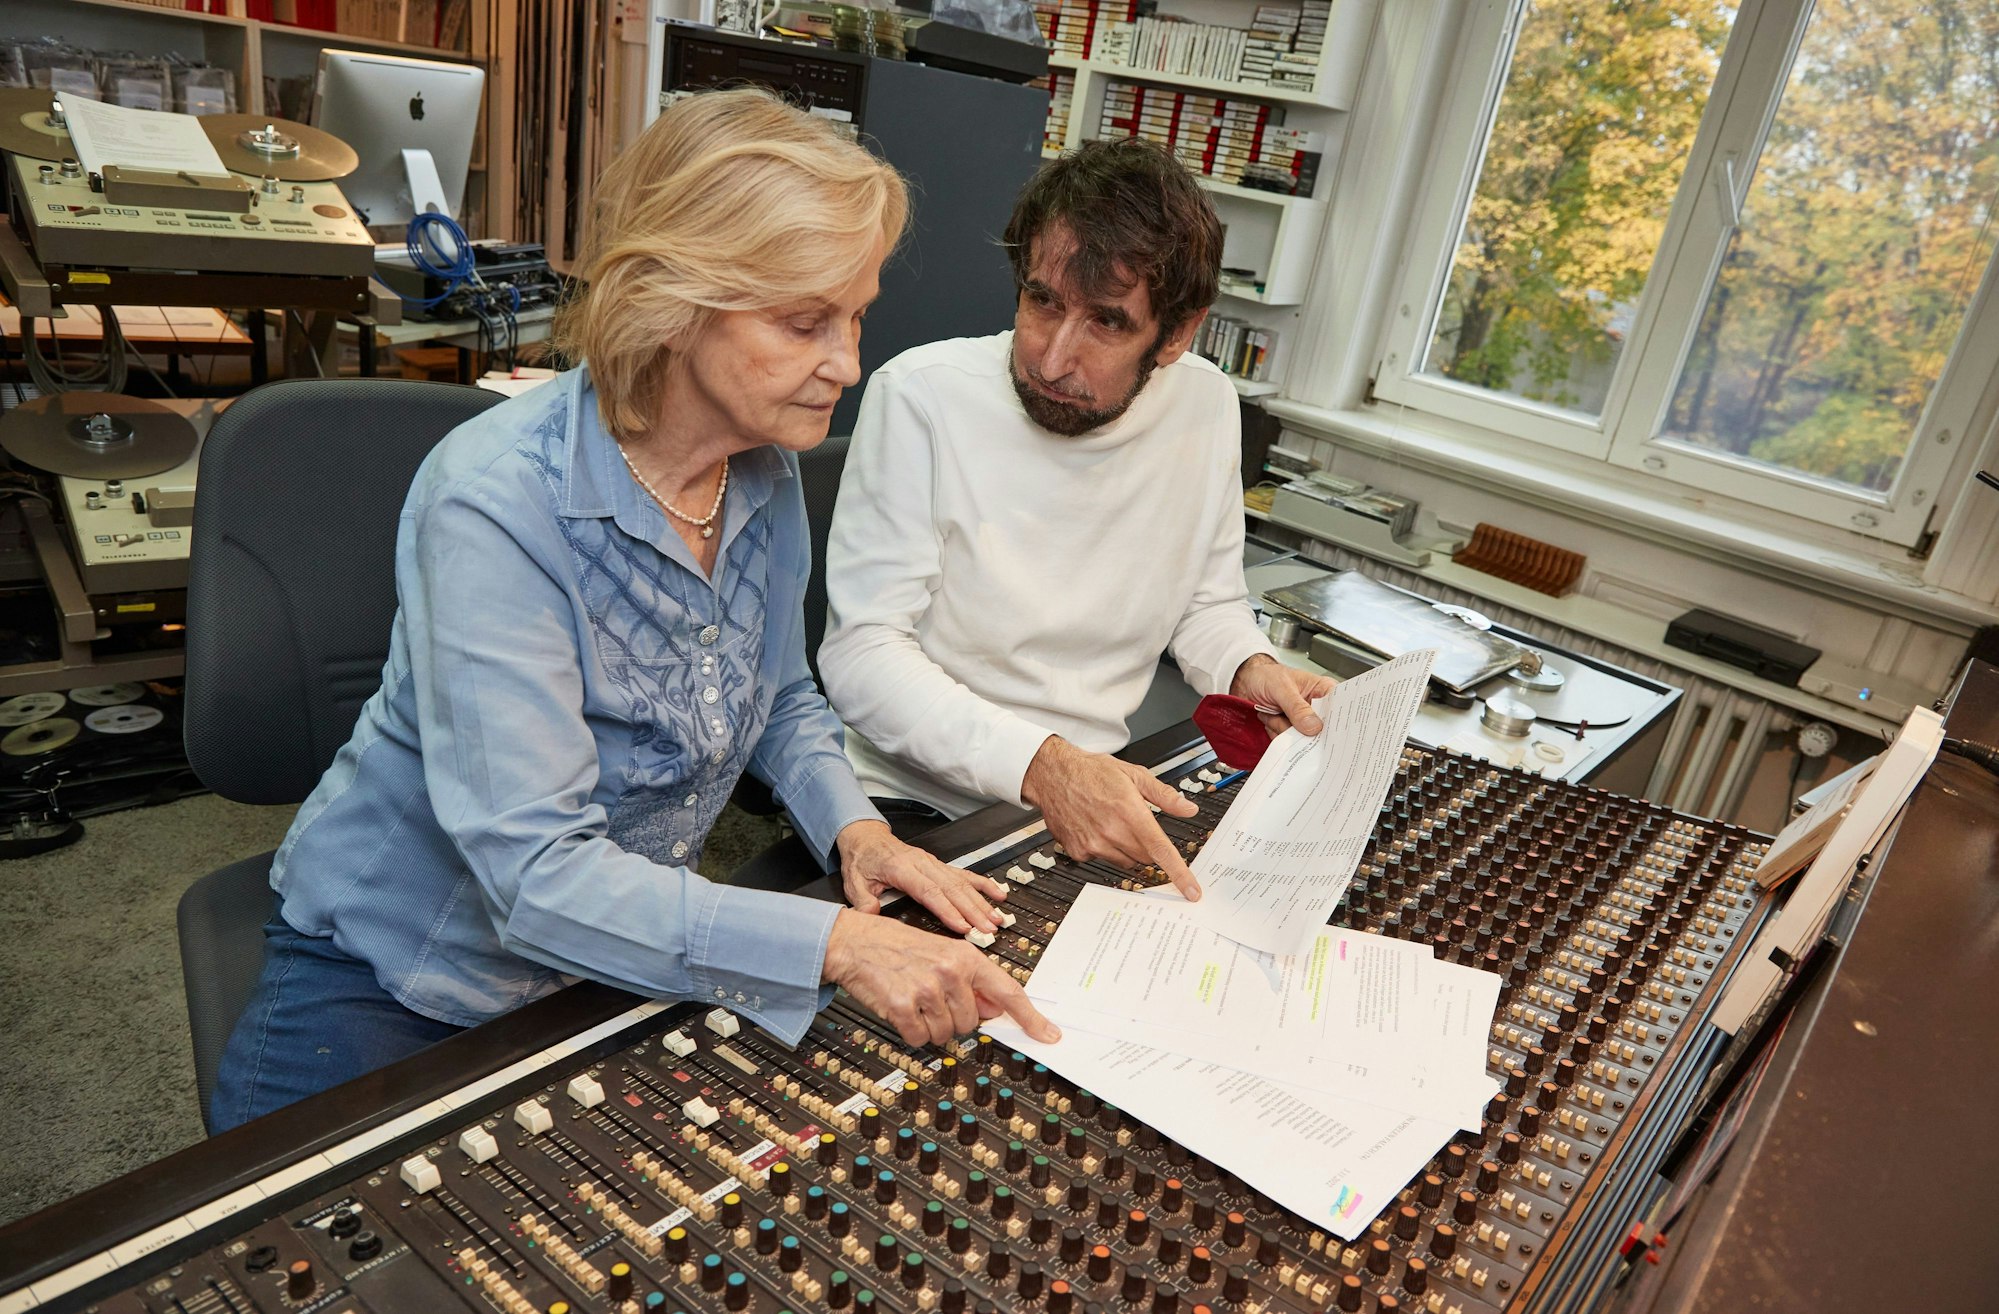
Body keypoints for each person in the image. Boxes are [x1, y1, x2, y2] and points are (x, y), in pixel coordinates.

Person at [210, 89, 1056, 1135]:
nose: (846, 363)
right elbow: (534, 879)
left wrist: (855, 826)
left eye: (855, 318)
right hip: (407, 980)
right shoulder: (496, 500)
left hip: (620, 956)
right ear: (675, 299)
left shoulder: (761, 463)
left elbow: (781, 690)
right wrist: (835, 945)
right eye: (804, 322)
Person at [819, 138, 1334, 899]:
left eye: (1107, 323)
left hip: (1096, 796)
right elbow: (861, 657)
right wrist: (1046, 765)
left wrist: (1249, 668)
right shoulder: (921, 397)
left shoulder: (1205, 404)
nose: (1053, 358)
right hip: (913, 810)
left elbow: (1205, 601)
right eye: (1043, 301)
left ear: (1178, 334)